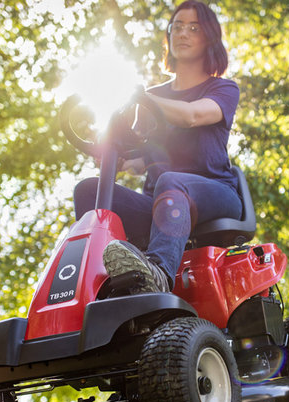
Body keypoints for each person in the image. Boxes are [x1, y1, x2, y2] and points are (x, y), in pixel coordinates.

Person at [73, 0, 241, 293]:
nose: (183, 33)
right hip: (160, 201)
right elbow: (140, 157)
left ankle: (158, 274)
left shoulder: (223, 89)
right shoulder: (150, 97)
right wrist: (115, 154)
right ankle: (102, 283)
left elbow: (192, 115)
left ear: (209, 38)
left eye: (194, 28)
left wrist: (142, 99)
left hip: (216, 192)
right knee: (88, 190)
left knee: (171, 181)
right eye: (177, 26)